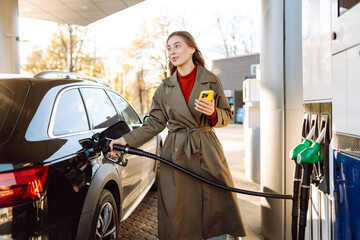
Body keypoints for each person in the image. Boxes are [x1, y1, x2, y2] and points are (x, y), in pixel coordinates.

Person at [109, 31, 246, 240]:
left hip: (207, 151)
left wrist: (212, 113)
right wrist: (126, 140)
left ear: (192, 48)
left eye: (177, 46)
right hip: (176, 155)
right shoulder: (164, 88)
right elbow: (154, 123)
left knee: (215, 206)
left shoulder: (211, 81)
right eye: (169, 48)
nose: (172, 51)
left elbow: (226, 116)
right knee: (178, 212)